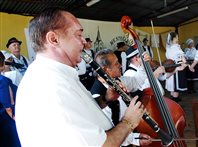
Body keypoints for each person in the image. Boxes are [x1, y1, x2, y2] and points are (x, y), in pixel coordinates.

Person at [15, 8, 145, 147]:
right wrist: (128, 121)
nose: (84, 41)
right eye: (78, 35)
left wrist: (106, 99)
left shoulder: (56, 75)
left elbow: (82, 111)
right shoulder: (50, 86)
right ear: (53, 39)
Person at [91, 49, 152, 146]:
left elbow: (136, 81)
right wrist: (134, 139)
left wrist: (143, 64)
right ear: (106, 69)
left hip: (130, 133)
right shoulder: (97, 96)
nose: (121, 65)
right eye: (116, 64)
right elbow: (108, 134)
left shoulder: (117, 80)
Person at [0, 51, 21, 147]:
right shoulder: (3, 81)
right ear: (2, 65)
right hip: (7, 121)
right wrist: (16, 118)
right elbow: (8, 105)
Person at [165, 31, 187, 102]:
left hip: (170, 66)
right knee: (175, 82)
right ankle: (175, 98)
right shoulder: (176, 47)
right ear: (174, 38)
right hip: (177, 66)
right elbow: (181, 57)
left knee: (171, 81)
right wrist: (184, 62)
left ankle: (172, 95)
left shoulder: (169, 48)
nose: (177, 39)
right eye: (177, 37)